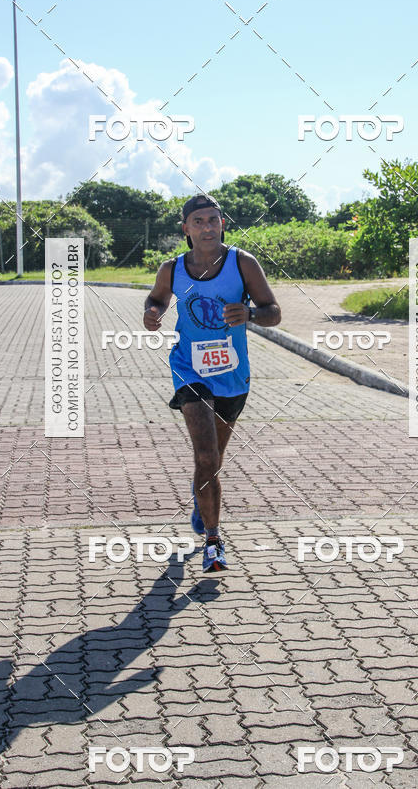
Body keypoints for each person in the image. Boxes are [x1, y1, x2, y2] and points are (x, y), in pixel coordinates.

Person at [143, 194, 281, 574]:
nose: (207, 227)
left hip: (233, 374)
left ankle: (201, 497)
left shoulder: (242, 263)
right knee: (205, 457)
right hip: (189, 369)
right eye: (199, 221)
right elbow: (155, 299)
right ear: (186, 229)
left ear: (223, 224)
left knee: (212, 462)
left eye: (213, 220)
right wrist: (152, 314)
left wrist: (251, 313)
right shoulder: (172, 269)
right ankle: (214, 541)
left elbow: (274, 312)